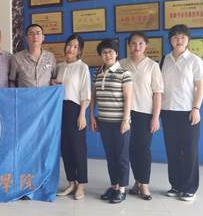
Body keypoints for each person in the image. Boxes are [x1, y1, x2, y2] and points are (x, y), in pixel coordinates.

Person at [161, 24, 203, 202]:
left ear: (188, 40)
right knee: (172, 151)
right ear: (170, 40)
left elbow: (200, 87)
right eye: (175, 37)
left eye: (182, 37)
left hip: (188, 112)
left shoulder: (195, 60)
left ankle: (189, 188)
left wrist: (196, 108)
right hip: (167, 111)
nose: (179, 40)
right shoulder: (164, 60)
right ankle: (176, 185)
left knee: (190, 151)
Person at [120, 32, 164, 201]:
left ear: (146, 45)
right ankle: (137, 181)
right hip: (125, 113)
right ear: (128, 45)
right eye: (133, 43)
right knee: (130, 149)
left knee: (143, 149)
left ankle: (144, 183)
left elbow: (158, 93)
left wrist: (155, 117)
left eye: (140, 43)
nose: (137, 47)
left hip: (145, 113)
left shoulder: (152, 66)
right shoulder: (121, 64)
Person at [90, 39, 132, 204]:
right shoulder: (98, 72)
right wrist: (92, 116)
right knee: (110, 156)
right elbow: (94, 96)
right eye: (104, 52)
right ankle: (114, 186)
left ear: (116, 54)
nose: (107, 55)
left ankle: (122, 189)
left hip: (120, 122)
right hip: (104, 121)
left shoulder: (124, 73)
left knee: (122, 156)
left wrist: (125, 120)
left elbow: (128, 98)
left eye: (110, 52)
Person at [54, 35, 90, 200]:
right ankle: (71, 182)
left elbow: (85, 93)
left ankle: (81, 184)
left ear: (79, 50)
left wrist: (82, 114)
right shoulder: (59, 67)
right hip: (59, 110)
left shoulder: (82, 67)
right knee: (65, 148)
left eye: (75, 46)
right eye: (69, 45)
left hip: (75, 109)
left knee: (78, 148)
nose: (71, 49)